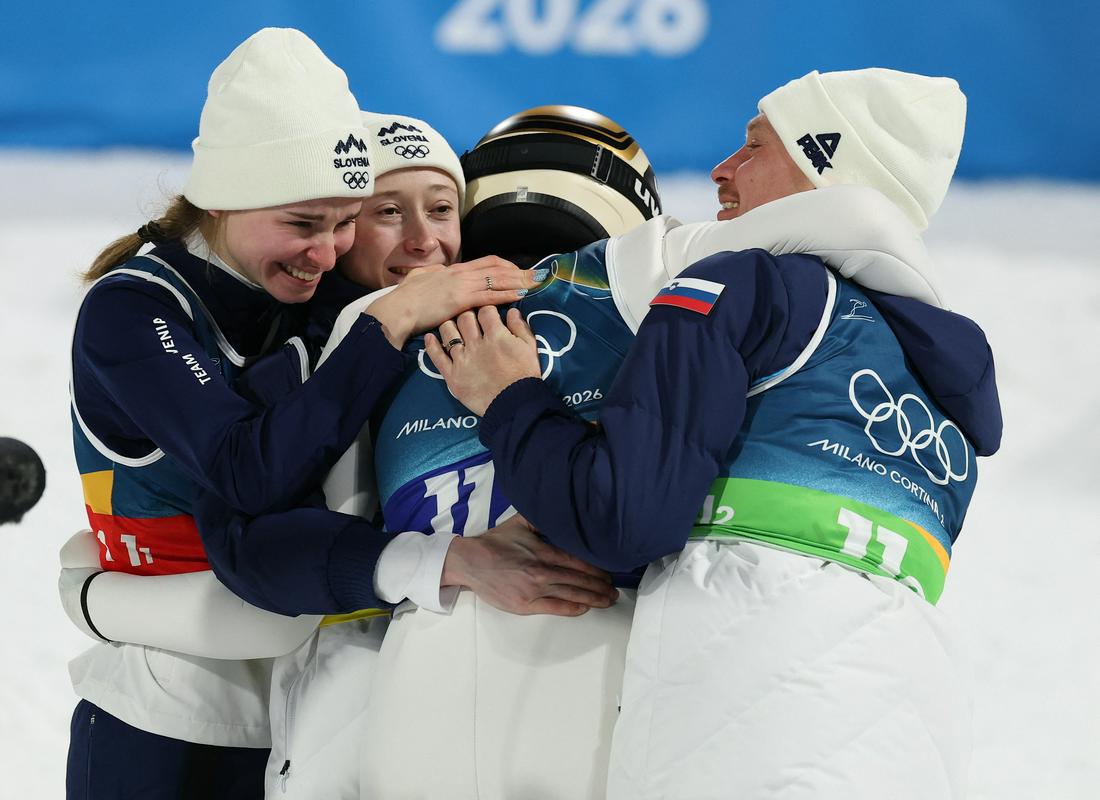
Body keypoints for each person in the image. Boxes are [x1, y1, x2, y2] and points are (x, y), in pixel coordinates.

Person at [62, 101, 942, 797]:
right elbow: (248, 528)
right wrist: (451, 560)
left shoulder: (369, 340)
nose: (420, 242)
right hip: (592, 728)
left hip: (377, 734)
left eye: (441, 210)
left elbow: (247, 545)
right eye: (383, 214)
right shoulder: (378, 338)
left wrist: (97, 595)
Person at [428, 68, 1002, 799]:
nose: (721, 170)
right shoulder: (939, 388)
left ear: (827, 171)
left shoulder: (742, 285)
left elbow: (624, 521)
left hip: (748, 710)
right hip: (914, 721)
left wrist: (508, 396)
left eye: (753, 146)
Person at [63, 29, 532, 798]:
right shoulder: (133, 310)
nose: (326, 251)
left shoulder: (309, 298)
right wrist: (387, 322)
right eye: (303, 224)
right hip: (165, 712)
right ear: (220, 197)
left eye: (344, 222)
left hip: (302, 712)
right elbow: (250, 471)